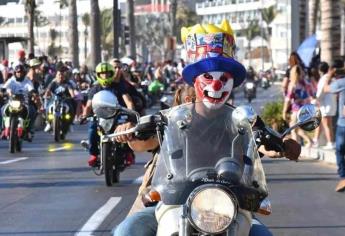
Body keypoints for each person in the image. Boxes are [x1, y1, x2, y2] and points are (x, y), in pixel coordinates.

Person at [112, 20, 300, 236]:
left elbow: (267, 144)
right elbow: (144, 141)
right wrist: (128, 131)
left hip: (231, 205)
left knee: (262, 235)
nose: (216, 85)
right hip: (172, 201)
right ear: (195, 81)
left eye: (223, 77)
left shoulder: (242, 120)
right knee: (127, 230)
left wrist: (284, 146)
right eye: (208, 77)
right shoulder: (172, 120)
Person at [79, 62, 134, 167]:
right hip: (100, 116)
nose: (105, 76)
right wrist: (84, 115)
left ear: (111, 74)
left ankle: (128, 153)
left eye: (107, 73)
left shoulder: (118, 86)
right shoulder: (95, 88)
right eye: (102, 74)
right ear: (98, 75)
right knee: (92, 129)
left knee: (126, 130)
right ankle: (94, 155)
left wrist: (131, 113)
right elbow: (88, 105)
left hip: (117, 115)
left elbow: (128, 101)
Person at [322, 59, 345, 192]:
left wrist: (329, 75)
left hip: (343, 125)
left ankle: (343, 177)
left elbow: (325, 88)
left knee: (340, 151)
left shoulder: (341, 82)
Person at [283, 52, 313, 147]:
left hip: (296, 108)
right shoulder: (303, 83)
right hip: (304, 108)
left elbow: (288, 99)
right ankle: (297, 145)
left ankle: (308, 141)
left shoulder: (292, 85)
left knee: (293, 127)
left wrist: (284, 111)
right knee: (295, 127)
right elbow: (309, 93)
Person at [1, 63, 38, 141]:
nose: (19, 73)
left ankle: (29, 131)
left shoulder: (27, 81)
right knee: (2, 110)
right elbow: (5, 87)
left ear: (24, 73)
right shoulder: (11, 80)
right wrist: (3, 92)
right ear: (15, 73)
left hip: (24, 102)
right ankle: (2, 129)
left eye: (21, 72)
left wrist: (33, 93)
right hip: (12, 101)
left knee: (33, 111)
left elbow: (31, 88)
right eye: (18, 72)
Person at [44, 64, 76, 132]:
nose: (60, 76)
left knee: (72, 107)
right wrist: (47, 95)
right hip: (54, 100)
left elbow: (71, 91)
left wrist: (72, 96)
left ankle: (70, 123)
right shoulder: (53, 83)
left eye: (62, 75)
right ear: (56, 75)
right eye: (59, 75)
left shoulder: (67, 84)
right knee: (47, 108)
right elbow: (48, 91)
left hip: (65, 100)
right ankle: (48, 123)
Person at [313, 62, 336, 148]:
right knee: (323, 123)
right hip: (330, 104)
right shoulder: (331, 78)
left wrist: (315, 100)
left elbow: (319, 93)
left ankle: (330, 142)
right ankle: (316, 140)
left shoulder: (324, 79)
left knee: (326, 125)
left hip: (325, 104)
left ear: (320, 70)